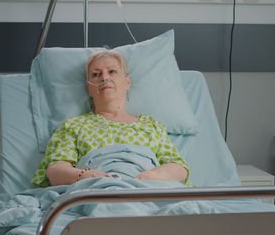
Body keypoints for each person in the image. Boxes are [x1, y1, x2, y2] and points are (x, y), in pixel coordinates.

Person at [31, 49, 190, 187]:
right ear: (88, 89)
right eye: (96, 74)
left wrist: (156, 176)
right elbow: (55, 171)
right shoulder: (73, 126)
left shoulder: (152, 126)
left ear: (127, 82)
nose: (104, 77)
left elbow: (178, 167)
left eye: (112, 71)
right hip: (95, 190)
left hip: (146, 190)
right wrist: (83, 176)